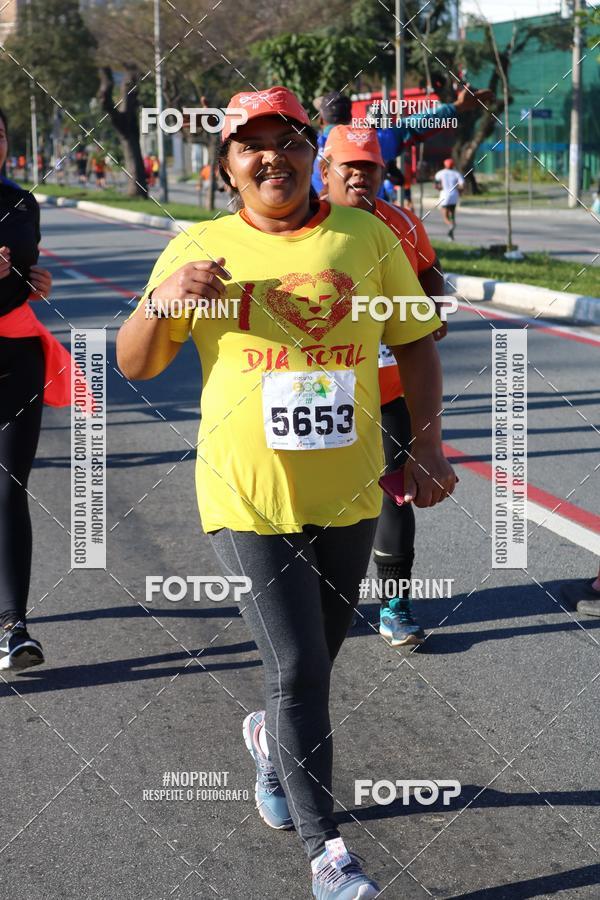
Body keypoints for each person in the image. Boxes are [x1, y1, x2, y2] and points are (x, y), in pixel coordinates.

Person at [117, 86, 456, 899]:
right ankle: (328, 855)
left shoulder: (365, 237)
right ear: (228, 164)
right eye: (251, 144)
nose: (273, 155)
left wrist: (429, 446)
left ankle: (273, 742)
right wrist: (167, 301)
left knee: (317, 662)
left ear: (312, 153)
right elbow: (134, 363)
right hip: (245, 491)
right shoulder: (197, 248)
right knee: (299, 663)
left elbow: (414, 345)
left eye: (289, 139)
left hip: (348, 488)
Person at [320, 124, 447, 648]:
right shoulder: (300, 225)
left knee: (395, 495)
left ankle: (395, 605)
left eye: (368, 166)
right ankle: (317, 602)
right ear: (324, 169)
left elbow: (431, 272)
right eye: (348, 165)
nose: (358, 175)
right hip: (318, 395)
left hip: (388, 390)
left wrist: (433, 309)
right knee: (318, 502)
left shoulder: (400, 223)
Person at [0, 108, 78, 670]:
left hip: (15, 358)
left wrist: (34, 282)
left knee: (8, 489)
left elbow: (26, 271)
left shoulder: (22, 201)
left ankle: (14, 628)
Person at [312, 86, 494, 198]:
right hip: (374, 233)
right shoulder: (371, 141)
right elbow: (411, 126)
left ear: (321, 120)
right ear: (351, 116)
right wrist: (456, 107)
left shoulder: (307, 148)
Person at [434, 158, 464, 240]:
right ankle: (451, 235)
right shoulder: (456, 173)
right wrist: (460, 193)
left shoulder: (440, 173)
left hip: (444, 195)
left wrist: (439, 188)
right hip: (454, 195)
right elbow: (462, 186)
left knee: (445, 216)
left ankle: (450, 225)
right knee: (452, 214)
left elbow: (436, 185)